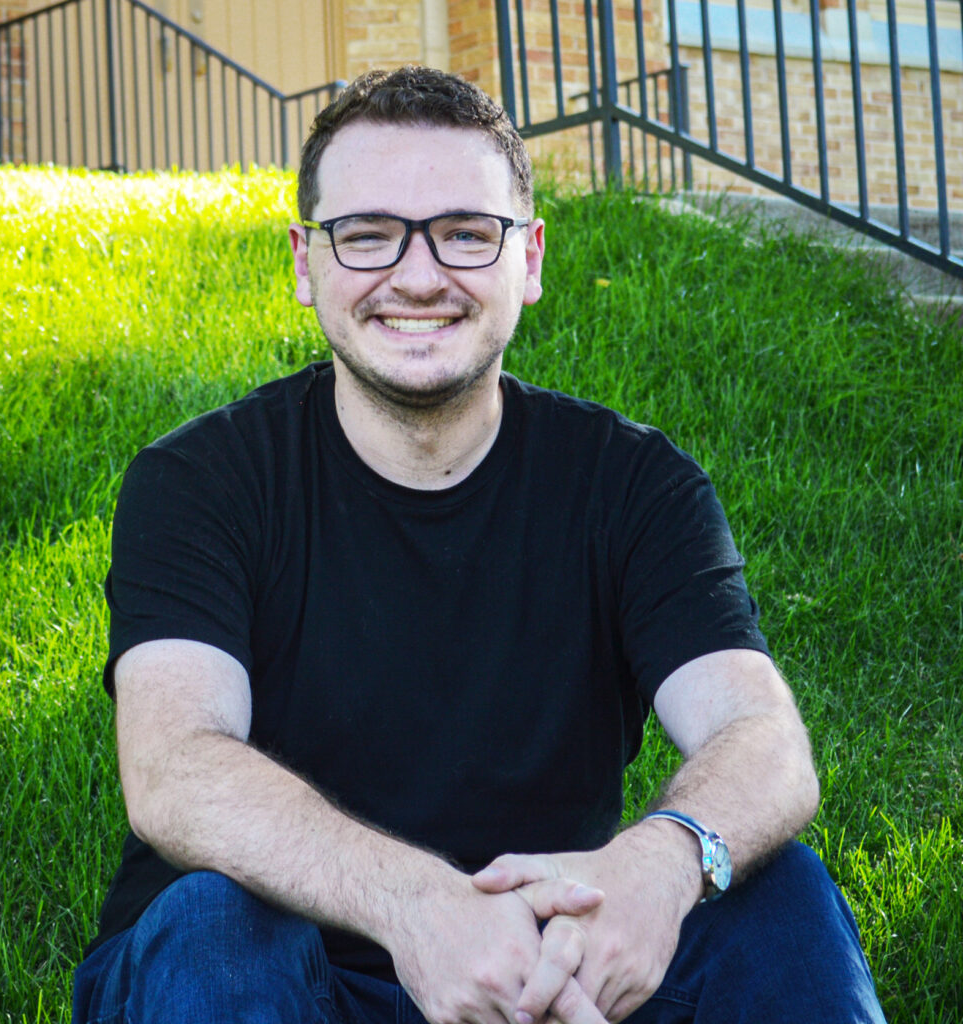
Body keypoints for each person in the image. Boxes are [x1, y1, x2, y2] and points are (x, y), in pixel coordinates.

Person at [72, 65, 886, 1024]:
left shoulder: (635, 485)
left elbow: (765, 743)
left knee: (779, 894)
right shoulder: (201, 481)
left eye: (465, 233)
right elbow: (174, 769)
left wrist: (663, 861)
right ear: (304, 261)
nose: (418, 277)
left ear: (529, 259)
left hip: (550, 982)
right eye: (367, 235)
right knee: (212, 921)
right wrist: (421, 909)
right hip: (280, 981)